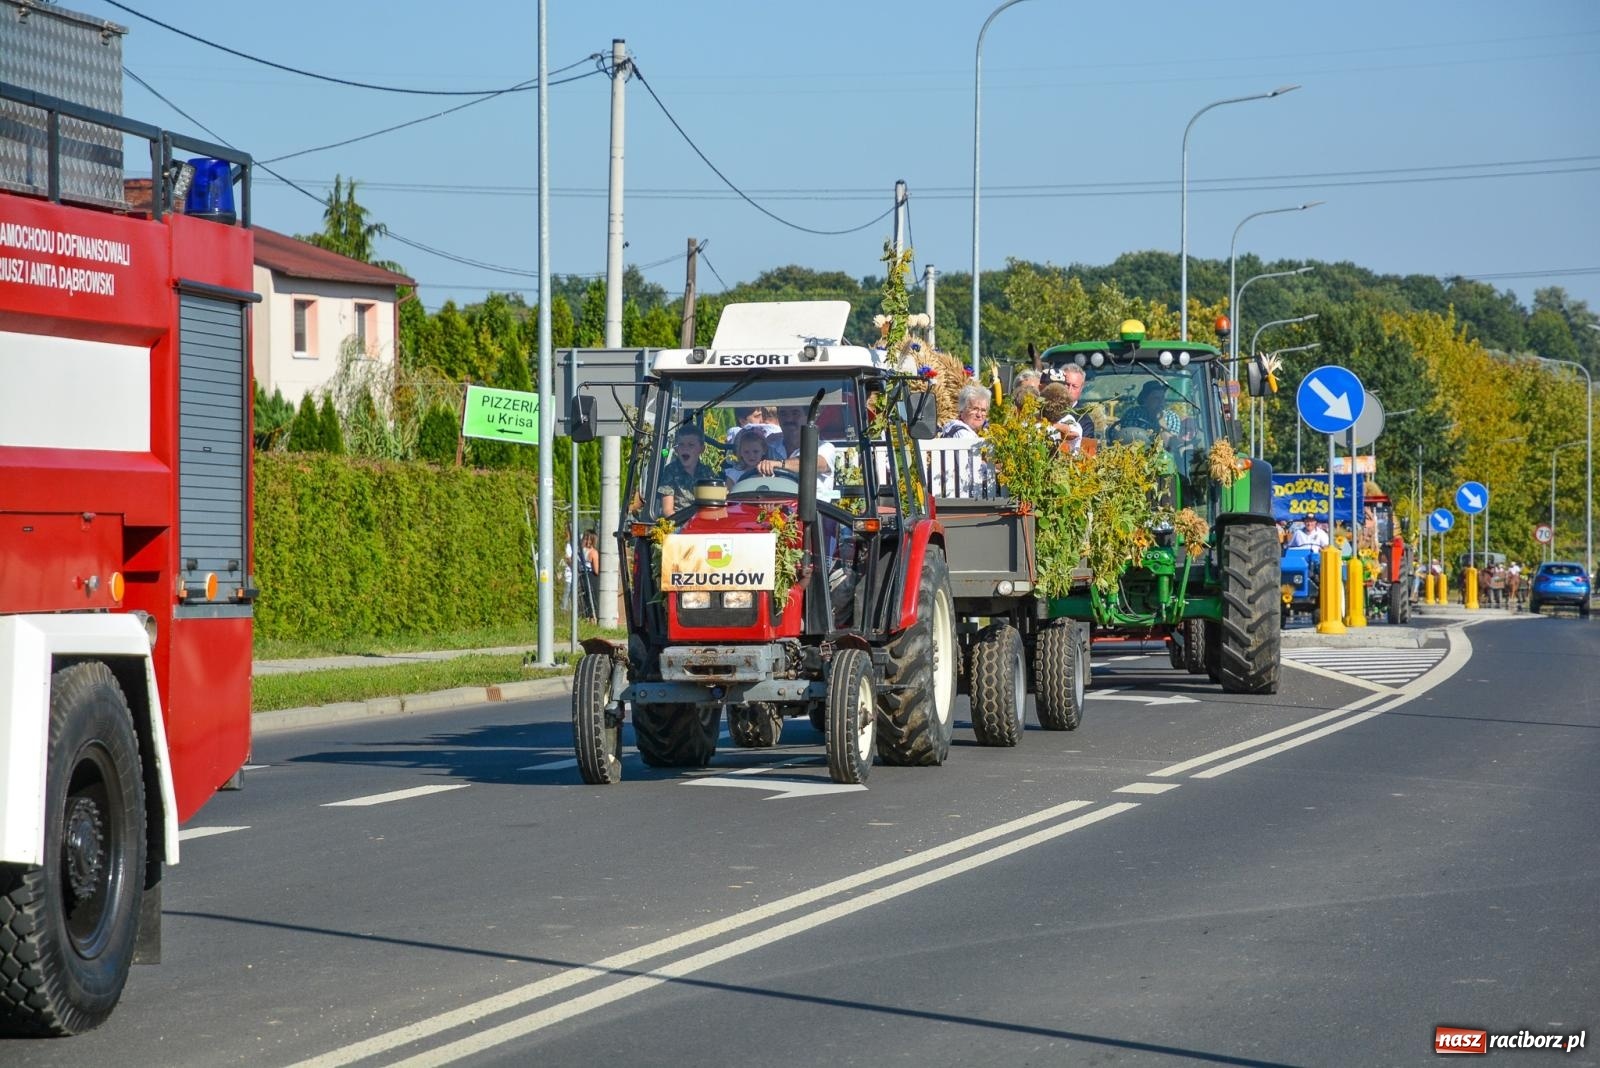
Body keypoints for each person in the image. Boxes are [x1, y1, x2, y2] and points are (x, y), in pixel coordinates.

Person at [756, 405, 835, 496]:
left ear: (807, 417)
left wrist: (778, 464)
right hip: (773, 505)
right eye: (783, 414)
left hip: (814, 508)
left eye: (795, 413)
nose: (789, 419)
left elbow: (813, 463)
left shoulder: (824, 448)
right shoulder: (770, 445)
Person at [934, 384, 993, 496]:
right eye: (975, 409)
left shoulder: (951, 427)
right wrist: (994, 470)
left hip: (953, 489)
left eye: (983, 410)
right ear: (962, 409)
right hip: (963, 493)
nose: (979, 414)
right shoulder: (963, 434)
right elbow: (974, 471)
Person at [658, 425, 715, 514]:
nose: (685, 448)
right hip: (678, 521)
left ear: (702, 449)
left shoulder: (707, 473)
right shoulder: (671, 471)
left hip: (702, 520)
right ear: (676, 449)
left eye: (691, 445)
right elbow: (668, 510)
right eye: (681, 444)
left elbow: (713, 504)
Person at [580, 531, 601, 621]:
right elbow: (596, 570)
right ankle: (593, 617)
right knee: (593, 597)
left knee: (585, 598)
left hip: (582, 575)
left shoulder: (581, 551)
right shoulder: (593, 552)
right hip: (591, 576)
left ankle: (586, 616)